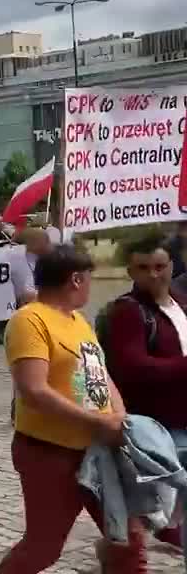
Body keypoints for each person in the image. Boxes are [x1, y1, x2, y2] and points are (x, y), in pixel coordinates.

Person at [0, 245, 144, 573]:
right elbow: (34, 390)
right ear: (76, 280)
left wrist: (120, 418)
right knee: (43, 547)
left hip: (100, 448)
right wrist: (97, 420)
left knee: (128, 539)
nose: (90, 286)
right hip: (50, 453)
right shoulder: (29, 320)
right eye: (89, 279)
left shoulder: (78, 321)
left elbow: (100, 376)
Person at [103, 234, 187, 552]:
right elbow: (132, 366)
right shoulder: (128, 310)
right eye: (143, 268)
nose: (153, 274)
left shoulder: (180, 303)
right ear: (131, 271)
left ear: (172, 266)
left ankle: (168, 526)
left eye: (160, 266)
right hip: (158, 424)